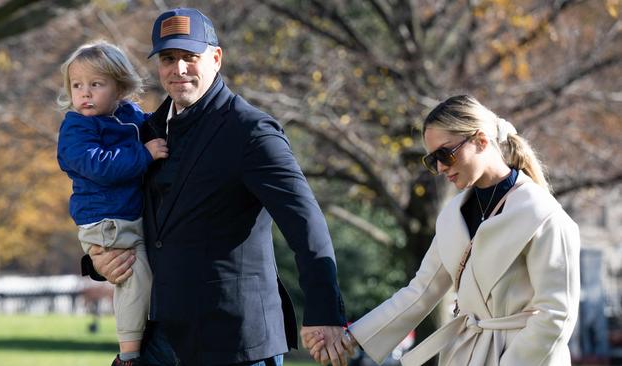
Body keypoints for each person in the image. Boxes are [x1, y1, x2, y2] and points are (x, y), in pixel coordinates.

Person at [82, 8, 350, 366]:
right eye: (168, 58)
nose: (178, 69)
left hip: (235, 341)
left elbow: (305, 224)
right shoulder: (146, 132)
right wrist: (98, 261)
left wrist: (325, 311)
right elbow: (127, 211)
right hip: (159, 338)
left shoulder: (251, 132)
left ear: (216, 58)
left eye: (190, 57)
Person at [306, 95, 581, 365]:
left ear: (481, 140)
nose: (439, 168)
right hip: (467, 354)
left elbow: (556, 314)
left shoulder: (544, 215)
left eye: (445, 154)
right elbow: (421, 291)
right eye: (431, 160)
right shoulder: (452, 216)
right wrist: (350, 338)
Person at [57, 41, 168, 366]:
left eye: (96, 84)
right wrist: (144, 154)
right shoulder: (77, 127)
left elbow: (149, 124)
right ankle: (129, 355)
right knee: (136, 277)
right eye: (77, 86)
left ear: (119, 87)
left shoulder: (129, 115)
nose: (85, 94)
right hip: (105, 220)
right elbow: (99, 166)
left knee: (145, 277)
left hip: (126, 216)